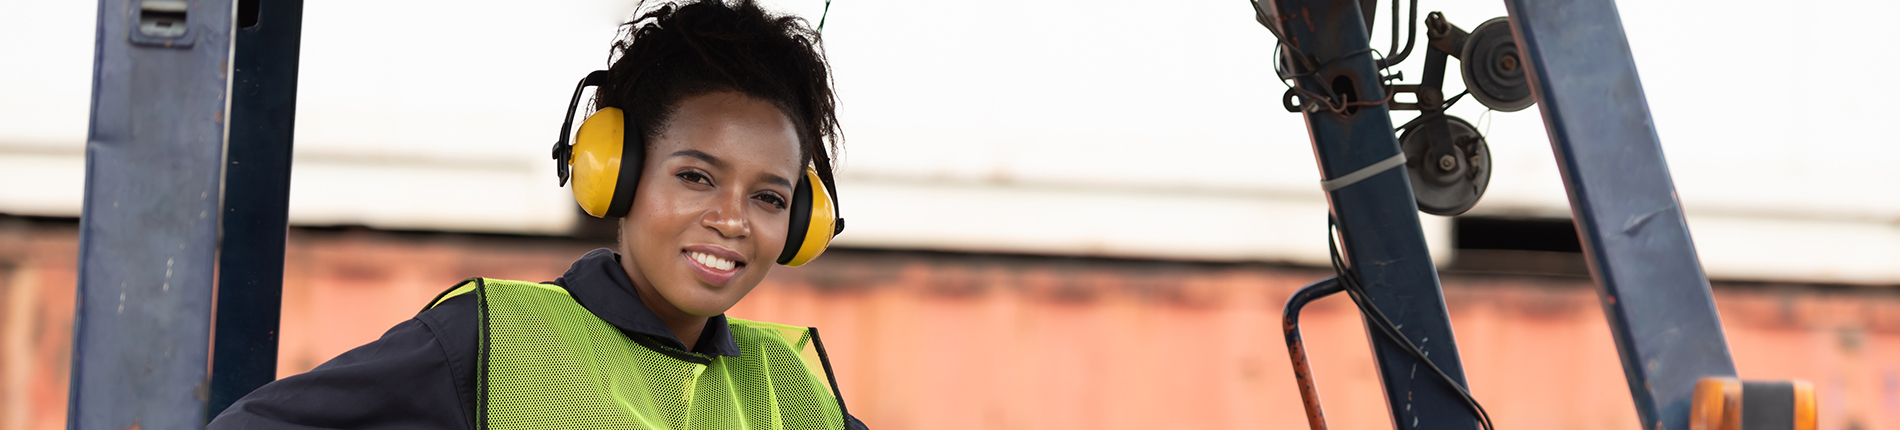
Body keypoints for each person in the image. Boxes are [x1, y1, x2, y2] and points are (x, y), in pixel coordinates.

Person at [208, 1, 866, 428]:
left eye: (769, 198)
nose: (732, 220)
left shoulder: (796, 395)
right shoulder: (490, 340)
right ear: (615, 171)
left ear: (801, 223)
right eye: (696, 177)